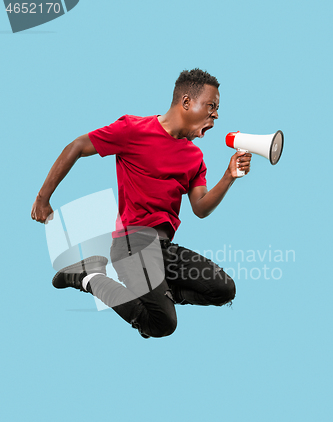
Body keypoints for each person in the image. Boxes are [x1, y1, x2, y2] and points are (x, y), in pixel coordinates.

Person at [31, 68, 252, 339]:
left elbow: (201, 207)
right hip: (131, 243)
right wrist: (43, 198)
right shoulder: (133, 129)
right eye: (211, 106)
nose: (216, 114)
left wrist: (229, 176)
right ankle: (88, 277)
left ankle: (160, 294)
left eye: (217, 108)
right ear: (186, 102)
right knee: (163, 324)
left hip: (162, 249)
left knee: (223, 289)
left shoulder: (195, 157)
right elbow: (77, 146)